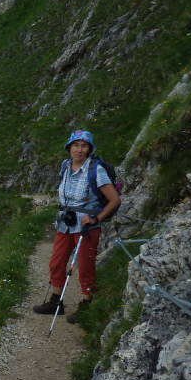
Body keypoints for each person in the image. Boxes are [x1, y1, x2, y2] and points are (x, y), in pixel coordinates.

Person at [33, 130, 120, 324]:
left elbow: (114, 200)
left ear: (90, 149)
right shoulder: (65, 166)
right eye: (76, 145)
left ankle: (87, 305)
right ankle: (56, 302)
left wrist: (96, 219)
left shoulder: (95, 170)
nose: (79, 150)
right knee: (56, 262)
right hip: (65, 222)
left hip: (86, 227)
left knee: (85, 266)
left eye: (84, 146)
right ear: (69, 147)